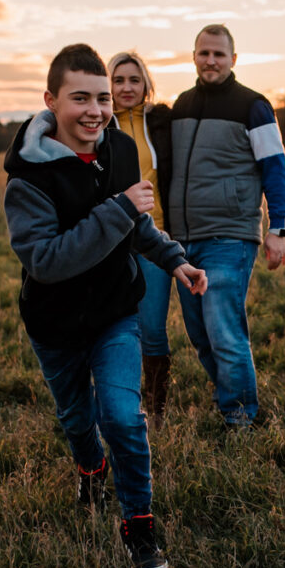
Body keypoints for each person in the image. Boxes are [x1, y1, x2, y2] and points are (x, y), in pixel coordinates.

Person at [3, 43, 207, 568]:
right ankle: (90, 467)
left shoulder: (118, 147)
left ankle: (139, 525)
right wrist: (118, 209)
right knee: (77, 419)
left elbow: (137, 223)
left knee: (122, 416)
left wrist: (175, 260)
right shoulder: (28, 177)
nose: (95, 110)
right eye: (80, 98)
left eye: (101, 98)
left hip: (117, 311)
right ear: (51, 100)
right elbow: (47, 260)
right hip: (55, 324)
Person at [168, 24, 285, 428]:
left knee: (223, 330)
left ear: (233, 60)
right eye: (204, 53)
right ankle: (230, 397)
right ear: (194, 56)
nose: (211, 61)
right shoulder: (181, 106)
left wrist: (278, 228)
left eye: (219, 54)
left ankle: (240, 417)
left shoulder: (253, 106)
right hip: (184, 240)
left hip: (230, 236)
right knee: (200, 334)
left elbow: (275, 167)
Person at [106, 51, 175, 429]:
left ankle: (156, 410)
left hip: (155, 241)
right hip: (110, 244)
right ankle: (120, 406)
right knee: (116, 328)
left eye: (134, 80)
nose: (127, 87)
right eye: (118, 80)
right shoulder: (97, 124)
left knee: (152, 329)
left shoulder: (162, 123)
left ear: (146, 84)